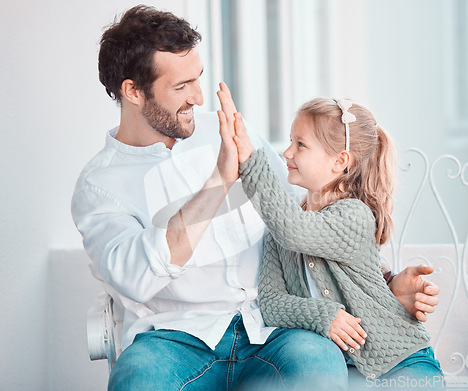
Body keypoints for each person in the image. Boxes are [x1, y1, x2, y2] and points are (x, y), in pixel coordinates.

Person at [71, 5, 440, 390]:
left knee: (319, 367)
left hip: (273, 327)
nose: (198, 97)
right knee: (136, 382)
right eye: (181, 87)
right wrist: (219, 182)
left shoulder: (227, 130)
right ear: (133, 91)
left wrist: (385, 284)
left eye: (198, 79)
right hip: (171, 339)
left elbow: (309, 217)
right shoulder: (100, 186)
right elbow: (135, 279)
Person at [225, 92, 445, 388]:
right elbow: (272, 303)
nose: (287, 153)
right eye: (290, 141)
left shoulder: (354, 215)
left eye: (300, 144)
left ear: (339, 161)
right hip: (347, 370)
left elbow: (295, 230)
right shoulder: (281, 229)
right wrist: (324, 315)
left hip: (401, 360)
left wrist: (251, 161)